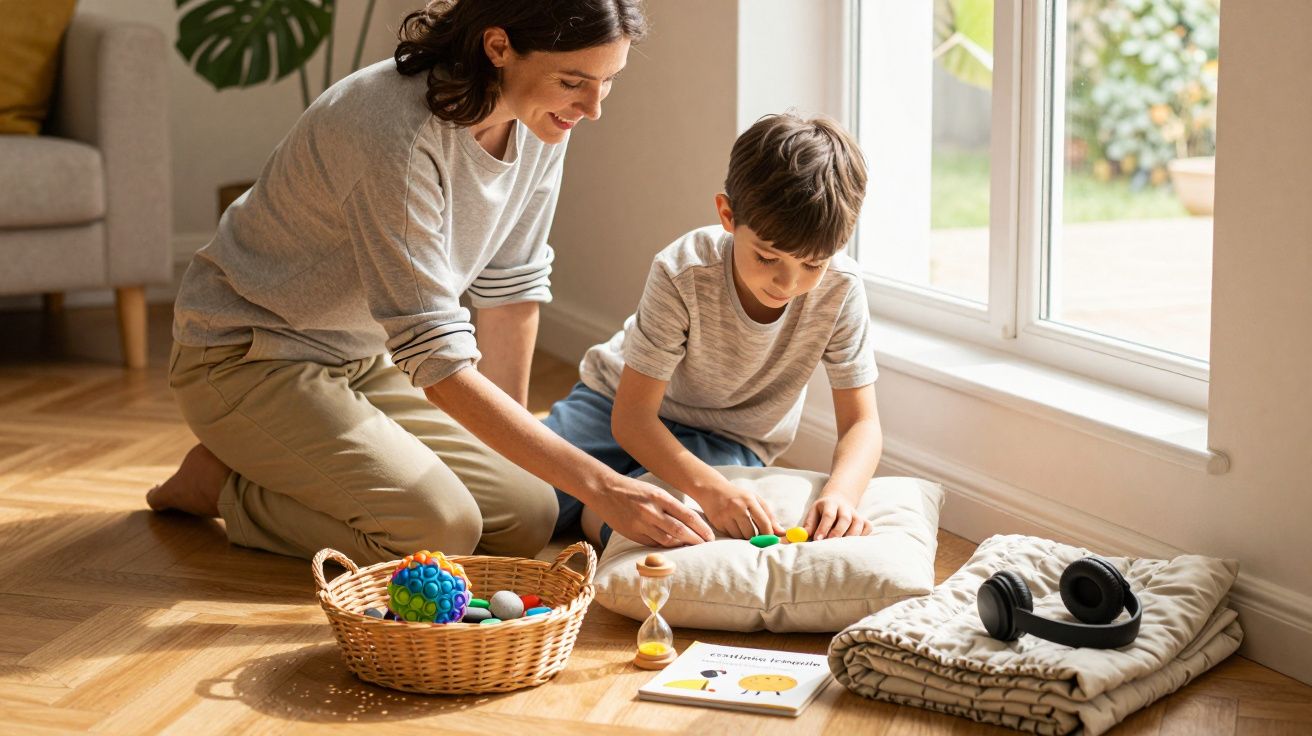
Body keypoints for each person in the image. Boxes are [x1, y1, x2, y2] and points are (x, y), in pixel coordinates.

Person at [148, 0, 714, 564]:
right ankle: (225, 486)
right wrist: (604, 486)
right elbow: (435, 355)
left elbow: (511, 286)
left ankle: (281, 461)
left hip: (363, 358)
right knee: (441, 529)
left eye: (607, 82)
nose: (591, 108)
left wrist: (510, 452)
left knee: (529, 514)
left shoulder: (542, 124)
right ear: (499, 47)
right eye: (573, 81)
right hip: (246, 354)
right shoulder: (395, 130)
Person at [545, 112, 882, 548]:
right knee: (520, 503)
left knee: (677, 532)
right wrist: (707, 488)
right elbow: (632, 419)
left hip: (729, 438)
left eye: (813, 264)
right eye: (766, 257)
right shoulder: (683, 270)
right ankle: (601, 498)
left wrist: (841, 494)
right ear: (727, 214)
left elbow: (861, 423)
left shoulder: (841, 289)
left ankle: (599, 513)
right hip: (612, 407)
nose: (787, 283)